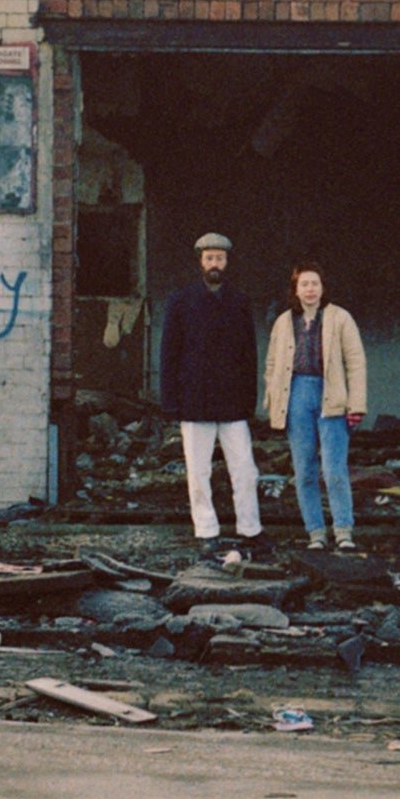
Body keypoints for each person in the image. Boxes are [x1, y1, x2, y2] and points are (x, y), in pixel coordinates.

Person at [157, 231, 265, 564]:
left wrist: (250, 399)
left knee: (245, 470)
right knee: (198, 471)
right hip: (195, 399)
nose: (215, 264)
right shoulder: (181, 301)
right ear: (200, 261)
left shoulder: (239, 301)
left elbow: (249, 353)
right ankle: (206, 531)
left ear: (227, 262)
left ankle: (251, 529)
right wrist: (170, 399)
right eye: (209, 258)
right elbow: (169, 353)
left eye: (220, 258)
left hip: (232, 402)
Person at [261, 261, 366, 552]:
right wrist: (273, 399)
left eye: (314, 284)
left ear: (322, 288)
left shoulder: (340, 318)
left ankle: (343, 531)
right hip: (296, 394)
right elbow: (271, 364)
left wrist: (355, 404)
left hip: (331, 393)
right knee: (304, 469)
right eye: (304, 284)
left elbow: (355, 363)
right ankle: (315, 532)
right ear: (295, 289)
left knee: (334, 469)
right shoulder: (283, 322)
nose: (310, 289)